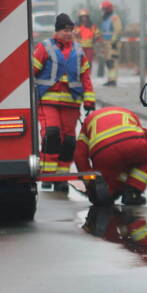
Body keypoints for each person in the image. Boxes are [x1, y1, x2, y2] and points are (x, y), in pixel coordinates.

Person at [32, 12, 95, 176]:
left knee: (68, 141)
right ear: (57, 31)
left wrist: (89, 100)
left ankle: (61, 175)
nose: (68, 33)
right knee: (51, 134)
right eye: (64, 30)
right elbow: (31, 71)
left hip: (71, 102)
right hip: (47, 101)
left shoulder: (79, 52)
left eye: (70, 30)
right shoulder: (44, 47)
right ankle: (48, 173)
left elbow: (85, 78)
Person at [73, 105, 147, 206]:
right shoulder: (128, 113)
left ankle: (109, 190)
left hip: (103, 155)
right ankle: (133, 191)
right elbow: (141, 136)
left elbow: (79, 154)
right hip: (131, 144)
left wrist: (89, 180)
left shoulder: (88, 121)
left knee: (107, 192)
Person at [98, 0, 122, 87]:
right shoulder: (105, 18)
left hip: (113, 44)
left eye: (104, 9)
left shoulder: (114, 17)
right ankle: (110, 80)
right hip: (106, 44)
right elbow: (103, 31)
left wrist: (114, 42)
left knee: (113, 62)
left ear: (108, 9)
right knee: (108, 62)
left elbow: (118, 30)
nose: (103, 11)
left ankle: (113, 80)